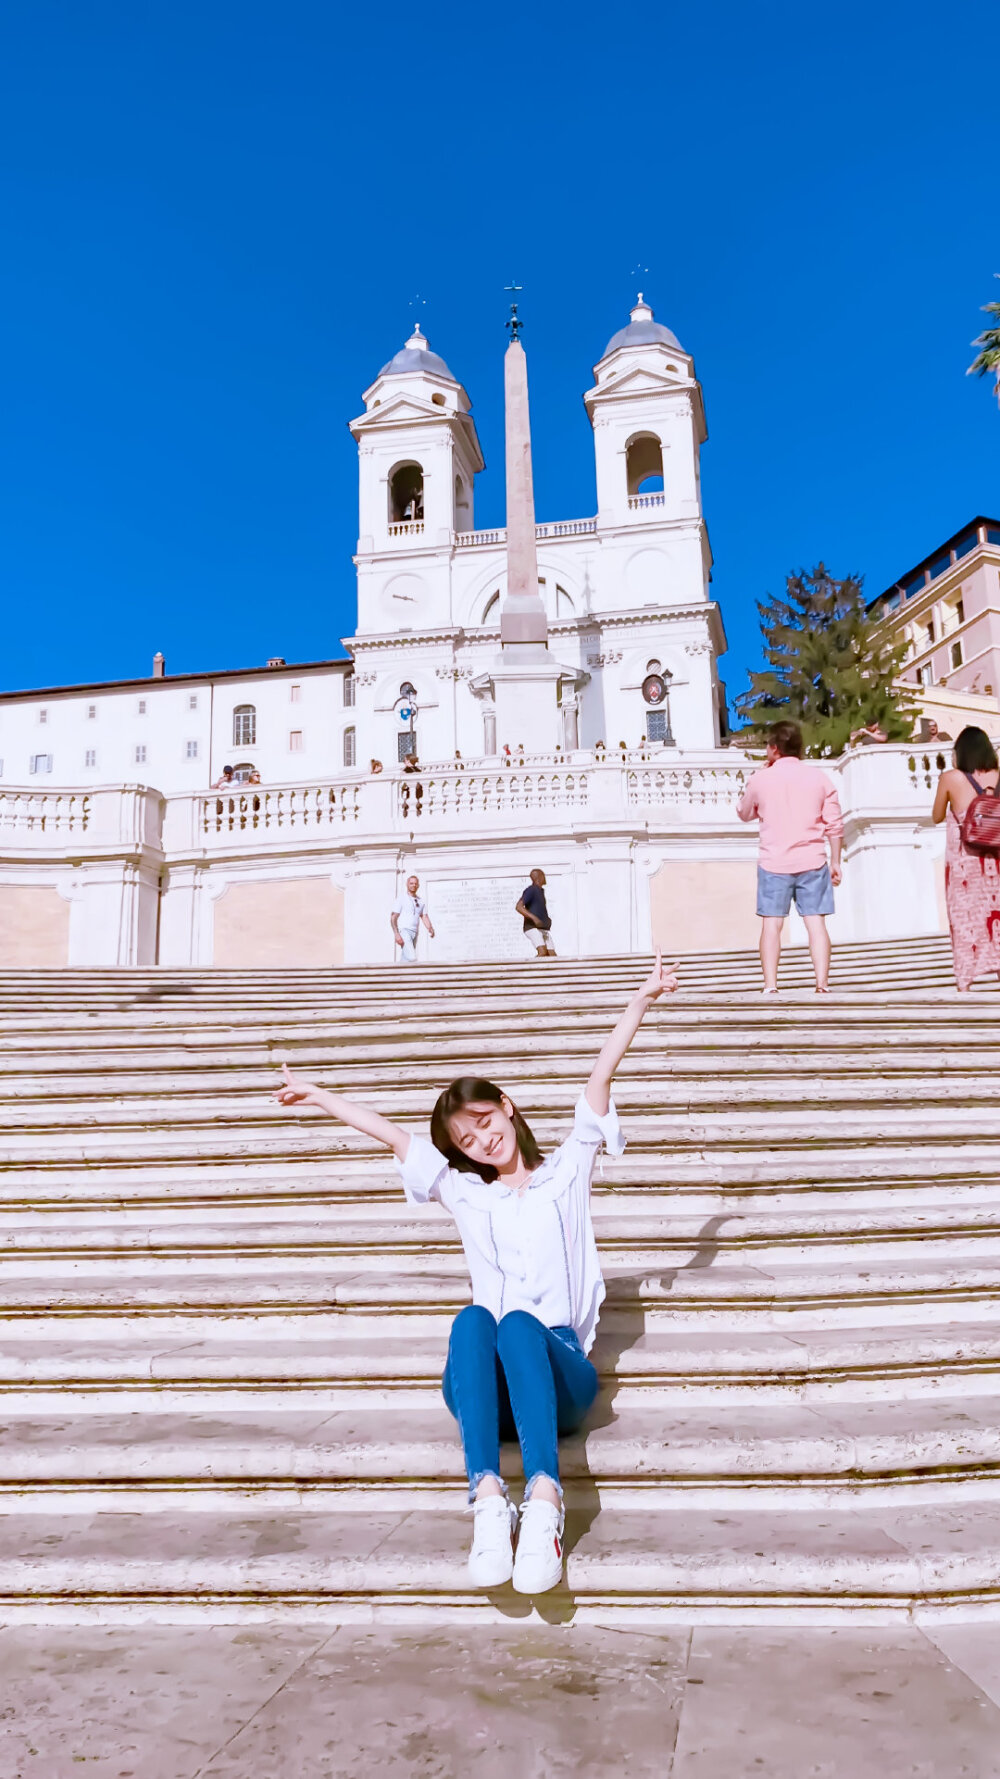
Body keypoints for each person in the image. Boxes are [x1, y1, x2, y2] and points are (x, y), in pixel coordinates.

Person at [272, 951, 678, 1594]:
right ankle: (488, 1501)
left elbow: (599, 1081)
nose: (483, 1142)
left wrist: (641, 1001)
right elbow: (393, 1137)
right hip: (483, 1389)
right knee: (474, 1318)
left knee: (518, 1322)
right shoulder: (467, 1193)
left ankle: (543, 1503)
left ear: (507, 1108)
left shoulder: (566, 1173)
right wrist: (320, 1096)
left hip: (559, 1373)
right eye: (467, 1141)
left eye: (485, 1123)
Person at [736, 720, 844, 994]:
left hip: (774, 863)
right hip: (813, 860)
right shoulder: (820, 778)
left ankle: (771, 985)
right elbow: (834, 824)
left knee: (772, 925)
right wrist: (835, 861)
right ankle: (822, 983)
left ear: (773, 748)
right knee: (816, 923)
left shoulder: (761, 779)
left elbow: (744, 812)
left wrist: (757, 777)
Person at [932, 726, 1000, 992]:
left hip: (964, 865)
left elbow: (937, 816)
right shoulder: (998, 775)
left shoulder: (951, 778)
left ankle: (965, 981)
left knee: (964, 921)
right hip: (995, 861)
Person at [391, 874, 434, 962]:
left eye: (415, 883)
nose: (413, 885)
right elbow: (393, 917)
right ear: (407, 884)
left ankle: (399, 974)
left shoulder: (420, 901)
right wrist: (396, 934)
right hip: (404, 930)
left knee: (405, 960)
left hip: (414, 932)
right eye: (411, 883)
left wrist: (430, 928)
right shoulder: (401, 898)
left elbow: (424, 916)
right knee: (412, 957)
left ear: (418, 885)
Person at [516, 868, 556, 958]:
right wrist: (534, 918)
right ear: (539, 877)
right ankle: (529, 970)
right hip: (532, 928)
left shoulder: (540, 891)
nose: (545, 878)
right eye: (543, 875)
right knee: (542, 952)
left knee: (552, 955)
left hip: (543, 929)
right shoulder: (531, 890)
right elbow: (519, 907)